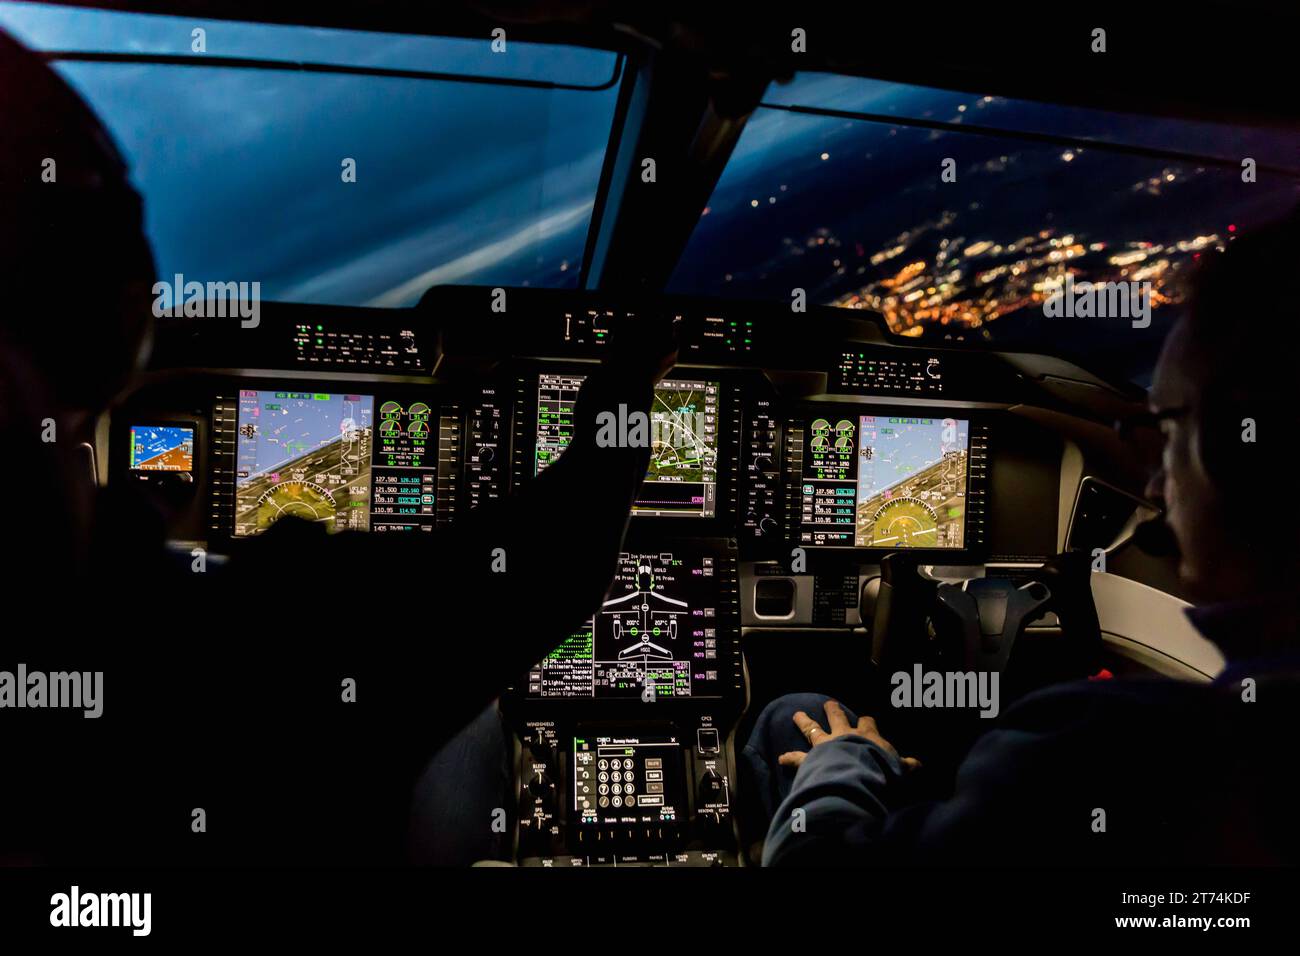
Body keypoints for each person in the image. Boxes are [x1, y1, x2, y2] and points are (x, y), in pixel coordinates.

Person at [0, 28, 674, 865]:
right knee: (480, 722)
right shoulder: (249, 636)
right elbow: (551, 564)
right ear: (111, 311)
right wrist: (627, 389)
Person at [746, 212, 1300, 867]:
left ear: (1239, 453)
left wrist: (847, 764)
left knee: (799, 713)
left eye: (1171, 431)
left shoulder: (1098, 748)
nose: (1152, 488)